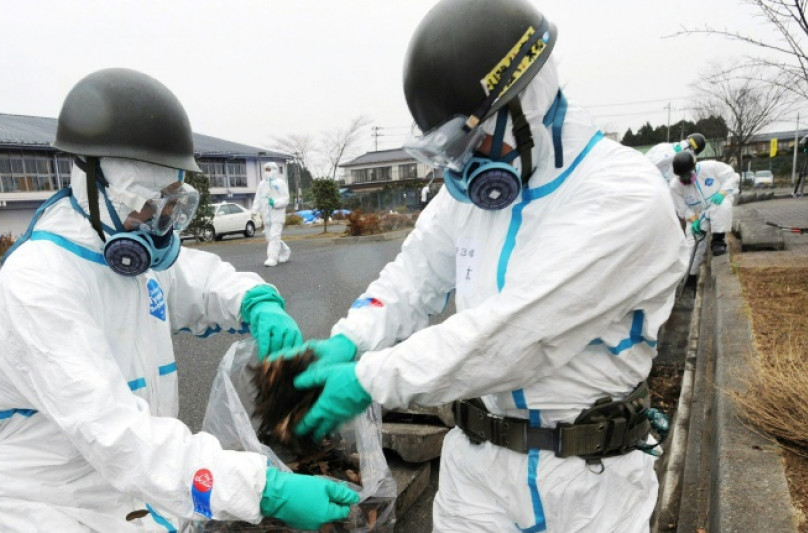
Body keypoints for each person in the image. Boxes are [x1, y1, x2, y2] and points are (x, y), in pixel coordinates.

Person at [270, 1, 688, 531]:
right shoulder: (472, 195)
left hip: (589, 486)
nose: (463, 167)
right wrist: (352, 339)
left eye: (468, 142)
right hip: (477, 472)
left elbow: (516, 335)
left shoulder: (622, 196)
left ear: (525, 107)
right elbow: (414, 275)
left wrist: (369, 379)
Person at [0, 68, 358, 532]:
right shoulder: (39, 286)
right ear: (90, 183)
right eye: (143, 203)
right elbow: (117, 435)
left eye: (168, 202)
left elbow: (194, 277)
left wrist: (254, 300)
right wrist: (262, 488)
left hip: (144, 500)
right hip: (59, 512)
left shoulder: (123, 251)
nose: (155, 221)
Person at [669, 150, 739, 286]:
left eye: (688, 174)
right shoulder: (675, 186)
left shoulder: (710, 167)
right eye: (682, 177)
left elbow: (733, 177)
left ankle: (718, 241)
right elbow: (682, 207)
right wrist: (693, 219)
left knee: (722, 206)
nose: (686, 179)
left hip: (716, 203)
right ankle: (689, 279)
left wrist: (723, 192)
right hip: (697, 215)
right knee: (692, 245)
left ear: (694, 168)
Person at [252, 162, 291, 266]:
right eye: (266, 170)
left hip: (277, 216)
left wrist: (275, 203)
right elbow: (258, 198)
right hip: (267, 217)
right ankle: (285, 250)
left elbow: (286, 199)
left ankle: (272, 258)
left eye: (269, 169)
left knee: (274, 236)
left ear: (274, 170)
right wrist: (254, 210)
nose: (267, 172)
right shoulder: (262, 184)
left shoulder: (280, 183)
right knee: (270, 238)